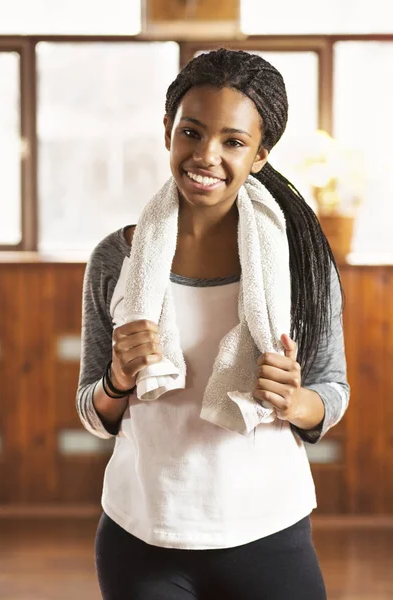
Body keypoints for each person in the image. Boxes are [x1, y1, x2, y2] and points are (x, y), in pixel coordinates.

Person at [77, 48, 349, 600]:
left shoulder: (302, 260)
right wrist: (117, 381)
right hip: (143, 535)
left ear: (261, 155)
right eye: (192, 132)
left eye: (233, 141)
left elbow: (333, 390)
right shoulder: (117, 258)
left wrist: (293, 400)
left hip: (269, 530)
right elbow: (92, 410)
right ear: (168, 132)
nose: (206, 156)